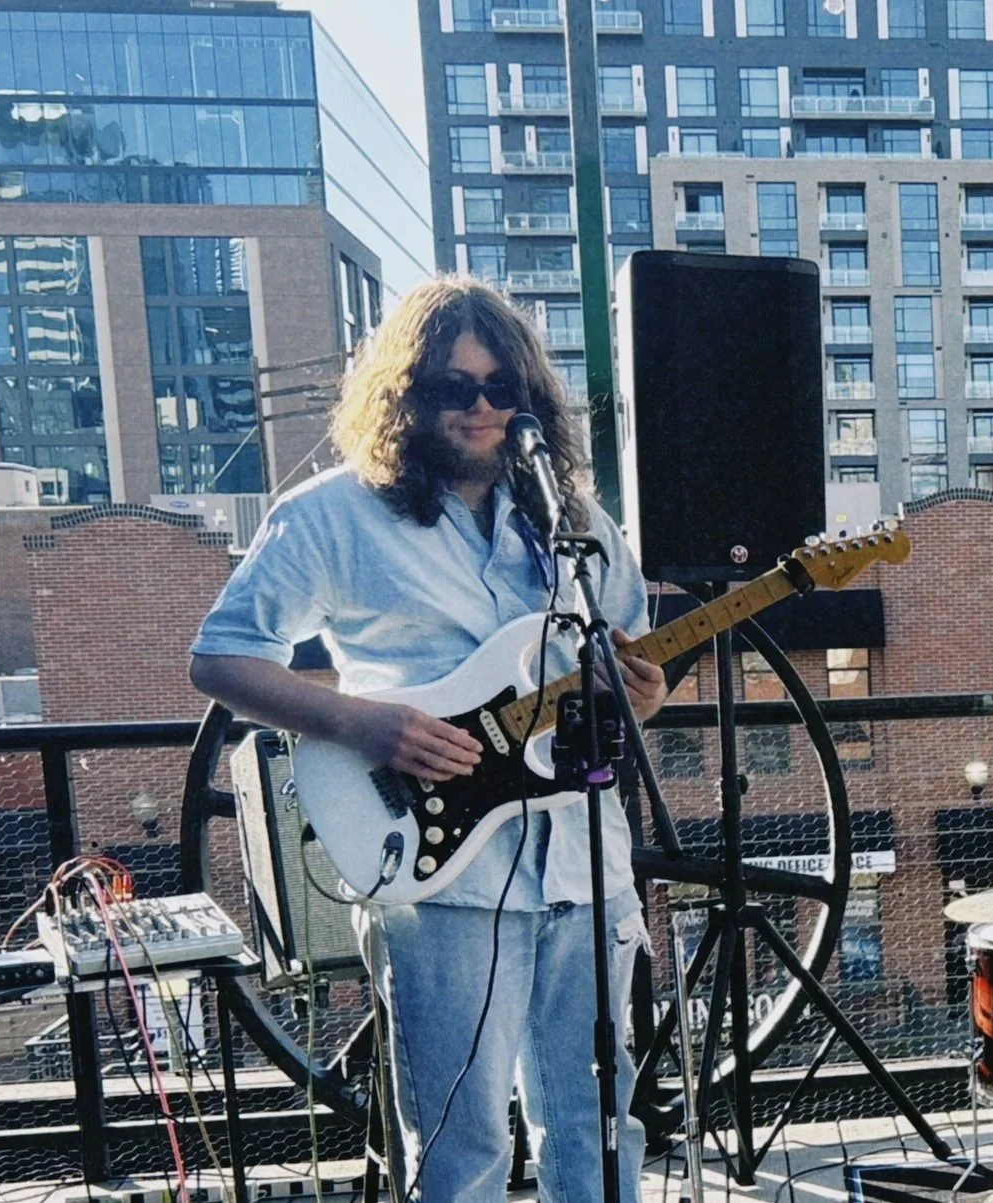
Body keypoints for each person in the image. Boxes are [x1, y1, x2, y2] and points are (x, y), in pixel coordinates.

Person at [189, 277, 667, 1203]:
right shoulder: (331, 515)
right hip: (444, 874)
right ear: (405, 395)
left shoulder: (575, 524)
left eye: (501, 388)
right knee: (461, 1146)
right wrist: (365, 721)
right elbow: (221, 658)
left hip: (585, 865)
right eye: (455, 387)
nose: (482, 408)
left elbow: (621, 671)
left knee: (600, 1127)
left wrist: (640, 696)